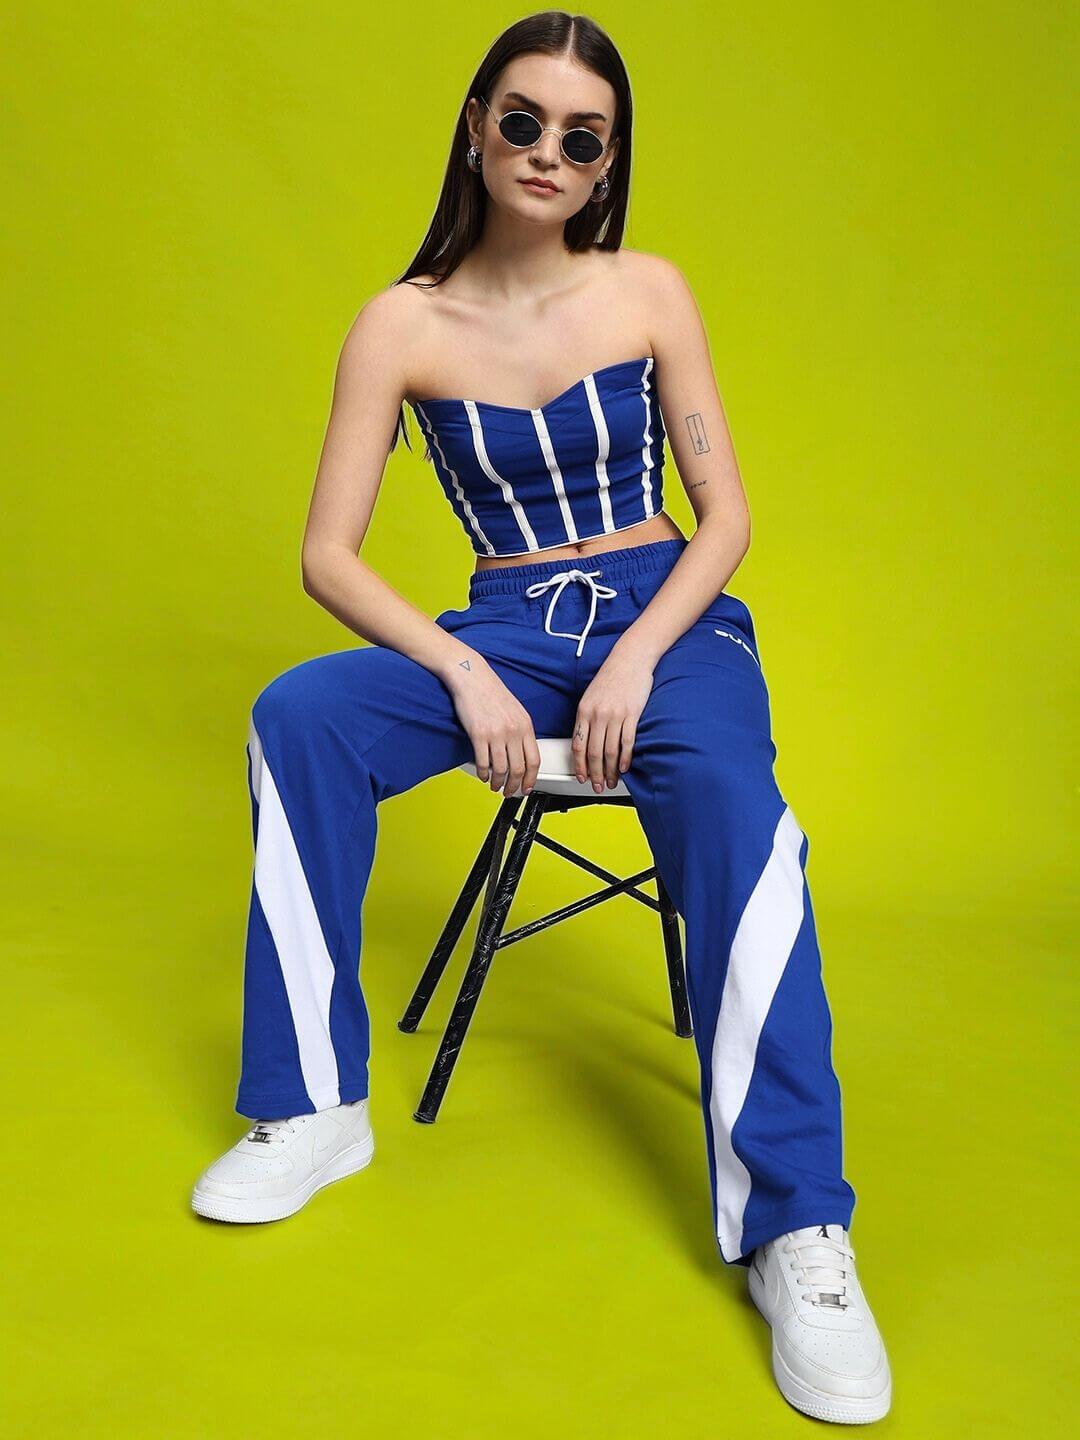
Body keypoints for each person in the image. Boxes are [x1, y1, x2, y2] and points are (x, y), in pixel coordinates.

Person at [190, 12, 891, 1425]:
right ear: (474, 124)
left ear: (610, 157)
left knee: (744, 822)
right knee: (298, 718)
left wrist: (637, 656)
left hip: (664, 620)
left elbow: (727, 517)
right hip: (502, 626)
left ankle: (798, 1228)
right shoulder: (402, 322)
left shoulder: (648, 292)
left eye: (583, 136)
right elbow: (329, 555)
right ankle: (314, 1105)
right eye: (523, 121)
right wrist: (462, 672)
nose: (548, 154)